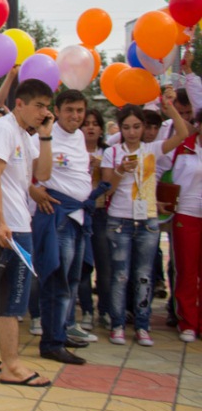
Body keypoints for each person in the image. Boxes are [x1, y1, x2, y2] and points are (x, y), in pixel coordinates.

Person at [0, 79, 54, 387]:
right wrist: (1, 222)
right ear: (20, 103)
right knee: (11, 297)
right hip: (7, 226)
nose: (44, 112)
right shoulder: (3, 130)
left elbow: (42, 175)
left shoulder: (22, 133)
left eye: (47, 107)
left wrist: (45, 136)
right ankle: (12, 366)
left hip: (13, 222)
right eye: (38, 106)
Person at [102, 95, 188, 346]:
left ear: (144, 127)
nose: (132, 132)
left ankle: (142, 325)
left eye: (136, 127)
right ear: (120, 128)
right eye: (126, 127)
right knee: (120, 275)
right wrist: (121, 171)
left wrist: (170, 109)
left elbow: (182, 133)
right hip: (119, 220)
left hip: (148, 220)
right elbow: (107, 189)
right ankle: (117, 324)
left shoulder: (152, 149)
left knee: (143, 275)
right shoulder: (113, 152)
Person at [27, 89, 98, 365]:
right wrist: (33, 190)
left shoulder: (79, 137)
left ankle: (61, 330)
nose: (76, 116)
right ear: (57, 110)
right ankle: (51, 342)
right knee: (55, 279)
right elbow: (19, 168)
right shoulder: (43, 136)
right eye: (70, 110)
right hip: (56, 216)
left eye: (80, 111)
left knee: (71, 280)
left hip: (79, 217)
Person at [76, 108, 112, 332]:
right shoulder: (74, 150)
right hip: (79, 211)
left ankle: (106, 310)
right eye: (86, 123)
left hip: (99, 213)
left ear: (101, 129)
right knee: (83, 265)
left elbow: (108, 184)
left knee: (104, 265)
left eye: (94, 123)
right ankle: (87, 311)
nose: (90, 127)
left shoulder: (107, 152)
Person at [171, 108, 202, 342]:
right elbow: (173, 180)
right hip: (187, 214)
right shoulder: (185, 147)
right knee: (188, 269)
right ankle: (188, 322)